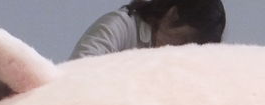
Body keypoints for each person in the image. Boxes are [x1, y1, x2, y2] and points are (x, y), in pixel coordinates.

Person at [71, 0, 225, 60]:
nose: (181, 51)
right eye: (183, 41)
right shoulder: (121, 25)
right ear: (172, 14)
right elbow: (78, 71)